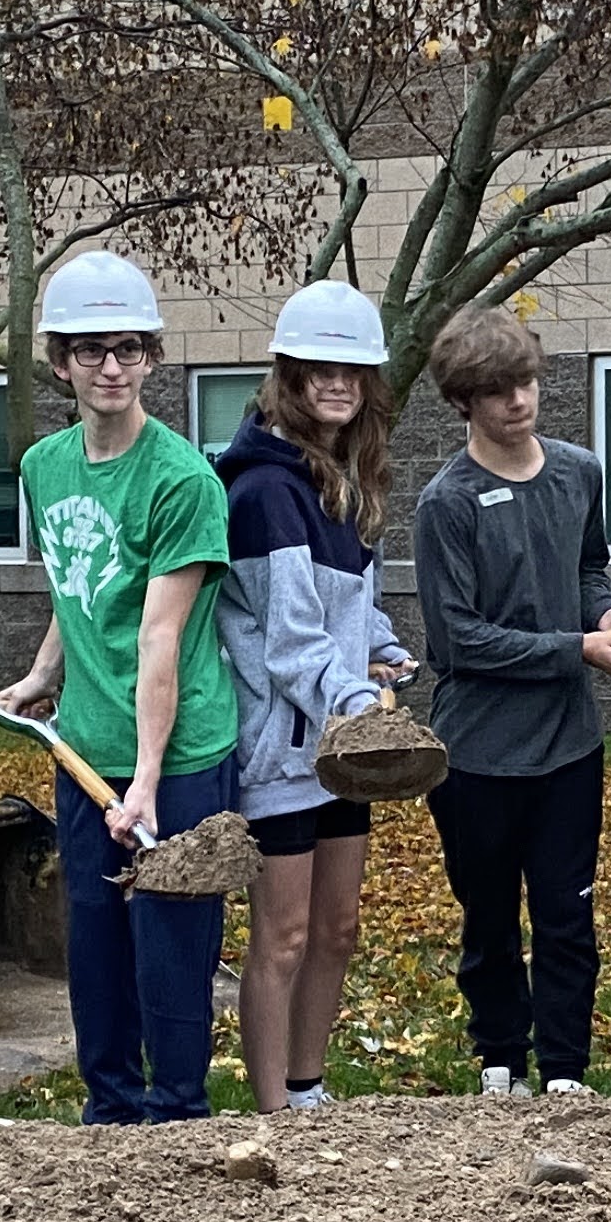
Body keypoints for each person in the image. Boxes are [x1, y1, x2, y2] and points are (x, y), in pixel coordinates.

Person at [0, 255, 242, 1125]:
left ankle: (177, 1114)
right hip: (83, 741)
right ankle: (108, 1112)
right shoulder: (45, 465)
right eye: (92, 350)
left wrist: (143, 779)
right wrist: (43, 673)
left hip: (176, 756)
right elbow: (80, 582)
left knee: (168, 945)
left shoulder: (182, 480)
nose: (111, 367)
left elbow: (159, 632)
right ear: (59, 362)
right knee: (94, 937)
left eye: (130, 350)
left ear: (150, 359)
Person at [412, 304, 611, 1096]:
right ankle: (501, 1059)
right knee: (488, 922)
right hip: (474, 754)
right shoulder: (446, 503)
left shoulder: (579, 471)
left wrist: (605, 613)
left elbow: (587, 571)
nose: (520, 401)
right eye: (498, 390)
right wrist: (574, 648)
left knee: (566, 916)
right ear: (463, 403)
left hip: (570, 747)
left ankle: (567, 1070)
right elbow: (458, 643)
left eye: (528, 382)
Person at [213, 280, 409, 1113]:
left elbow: (350, 609)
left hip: (338, 749)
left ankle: (308, 1088)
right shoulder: (263, 491)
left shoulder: (344, 480)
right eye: (318, 369)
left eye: (352, 371)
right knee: (283, 937)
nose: (336, 384)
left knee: (337, 931)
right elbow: (291, 645)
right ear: (289, 376)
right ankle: (269, 1112)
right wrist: (359, 701)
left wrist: (385, 652)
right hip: (284, 749)